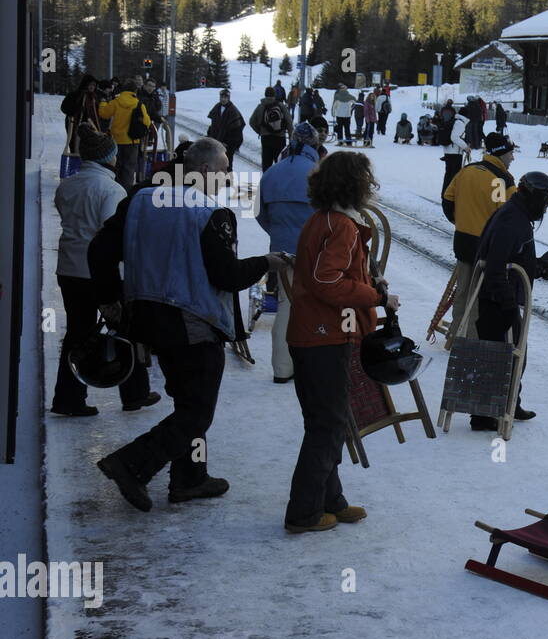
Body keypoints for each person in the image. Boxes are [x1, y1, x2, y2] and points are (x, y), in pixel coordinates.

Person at [88, 137, 290, 511]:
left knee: (187, 401)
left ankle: (190, 478)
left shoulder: (140, 200)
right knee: (197, 411)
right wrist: (267, 263)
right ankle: (132, 464)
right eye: (226, 169)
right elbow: (227, 276)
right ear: (206, 171)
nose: (229, 177)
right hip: (192, 320)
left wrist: (109, 298)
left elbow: (99, 250)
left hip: (146, 316)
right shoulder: (209, 213)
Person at [284, 151, 399, 533]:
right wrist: (376, 298)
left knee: (325, 421)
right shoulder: (342, 226)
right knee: (328, 425)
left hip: (314, 334)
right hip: (325, 336)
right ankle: (303, 512)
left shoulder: (324, 219)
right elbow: (326, 281)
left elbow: (330, 274)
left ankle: (330, 499)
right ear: (355, 185)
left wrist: (369, 281)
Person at [50, 125, 158, 416]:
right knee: (126, 328)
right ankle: (135, 393)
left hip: (68, 269)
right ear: (107, 158)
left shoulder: (67, 185)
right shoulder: (111, 189)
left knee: (77, 333)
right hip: (98, 272)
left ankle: (68, 398)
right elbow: (111, 234)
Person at [469, 170, 548, 431]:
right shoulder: (512, 221)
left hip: (502, 297)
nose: (545, 209)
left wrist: (537, 267)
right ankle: (485, 416)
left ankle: (510, 403)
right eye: (545, 203)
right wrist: (508, 304)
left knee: (512, 357)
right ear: (535, 198)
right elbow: (496, 266)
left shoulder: (516, 215)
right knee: (497, 358)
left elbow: (513, 260)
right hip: (498, 300)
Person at [256, 122, 322, 384]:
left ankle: (282, 368)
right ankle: (311, 363)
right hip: (314, 251)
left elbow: (261, 213)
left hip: (282, 251)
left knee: (286, 304)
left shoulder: (272, 172)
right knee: (316, 306)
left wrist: (278, 235)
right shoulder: (317, 173)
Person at [444, 133, 518, 343]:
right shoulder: (502, 181)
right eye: (511, 153)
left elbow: (448, 200)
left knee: (462, 292)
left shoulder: (466, 171)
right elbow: (507, 217)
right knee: (478, 297)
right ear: (501, 154)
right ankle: (470, 342)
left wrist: (462, 222)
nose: (513, 158)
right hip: (486, 247)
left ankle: (454, 335)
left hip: (462, 241)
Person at [97, 76, 152, 189]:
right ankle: (126, 193)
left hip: (115, 141)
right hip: (132, 142)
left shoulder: (116, 102)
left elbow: (104, 114)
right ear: (135, 91)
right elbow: (147, 122)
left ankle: (114, 191)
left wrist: (102, 103)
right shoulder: (139, 104)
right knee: (129, 169)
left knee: (115, 167)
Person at [249, 86, 289, 171]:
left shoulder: (260, 107)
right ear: (274, 95)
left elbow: (251, 121)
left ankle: (267, 182)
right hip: (280, 138)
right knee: (281, 165)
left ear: (265, 94)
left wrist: (260, 131)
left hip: (266, 138)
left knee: (266, 164)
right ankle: (280, 183)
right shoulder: (281, 106)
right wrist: (291, 135)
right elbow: (289, 122)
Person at [205, 89, 245, 168]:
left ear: (228, 98)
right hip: (215, 143)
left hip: (227, 145)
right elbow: (213, 125)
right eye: (222, 97)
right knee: (214, 166)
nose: (223, 99)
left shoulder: (233, 110)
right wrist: (210, 135)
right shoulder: (217, 107)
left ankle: (228, 180)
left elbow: (237, 129)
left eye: (225, 97)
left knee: (227, 166)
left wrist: (227, 142)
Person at [60, 74, 101, 150]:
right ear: (85, 84)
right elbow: (64, 108)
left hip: (91, 129)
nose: (92, 87)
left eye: (94, 85)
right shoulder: (74, 95)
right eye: (90, 84)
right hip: (75, 127)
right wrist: (76, 109)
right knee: (76, 148)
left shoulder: (95, 98)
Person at [439, 100, 470, 196]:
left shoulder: (454, 121)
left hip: (448, 151)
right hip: (455, 153)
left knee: (449, 174)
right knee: (453, 175)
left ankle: (445, 194)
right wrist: (466, 147)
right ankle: (450, 195)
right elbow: (454, 137)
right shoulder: (460, 123)